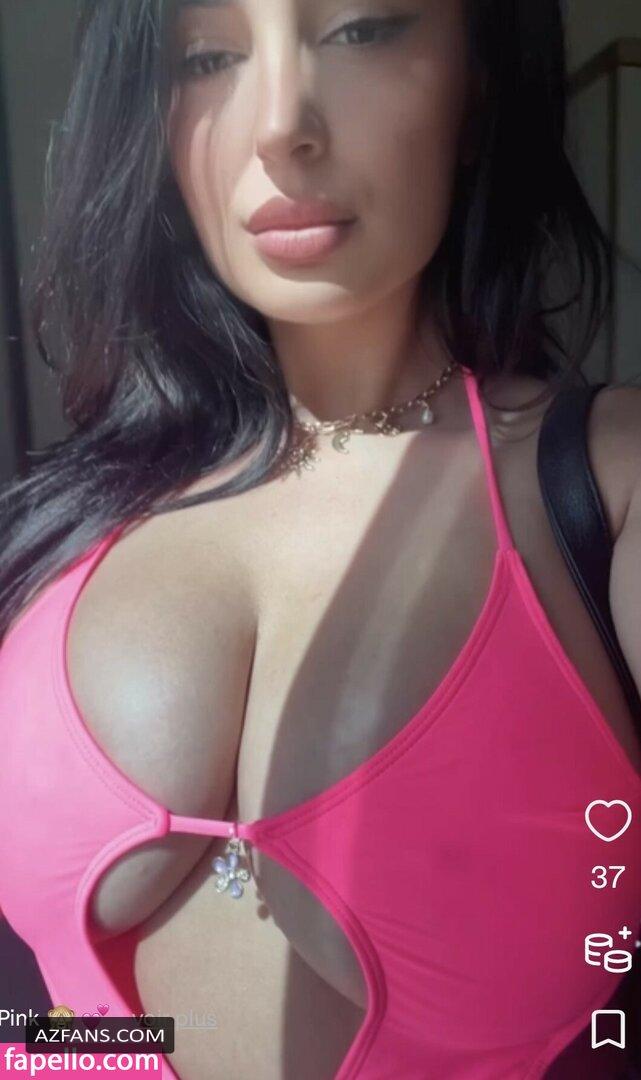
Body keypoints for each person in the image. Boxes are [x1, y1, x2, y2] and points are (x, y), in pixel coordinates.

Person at [0, 1, 640, 1077]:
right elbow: (52, 1013)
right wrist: (75, 1054)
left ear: (478, 80)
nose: (278, 127)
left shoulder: (603, 485)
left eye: (358, 30)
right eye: (207, 58)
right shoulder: (68, 522)